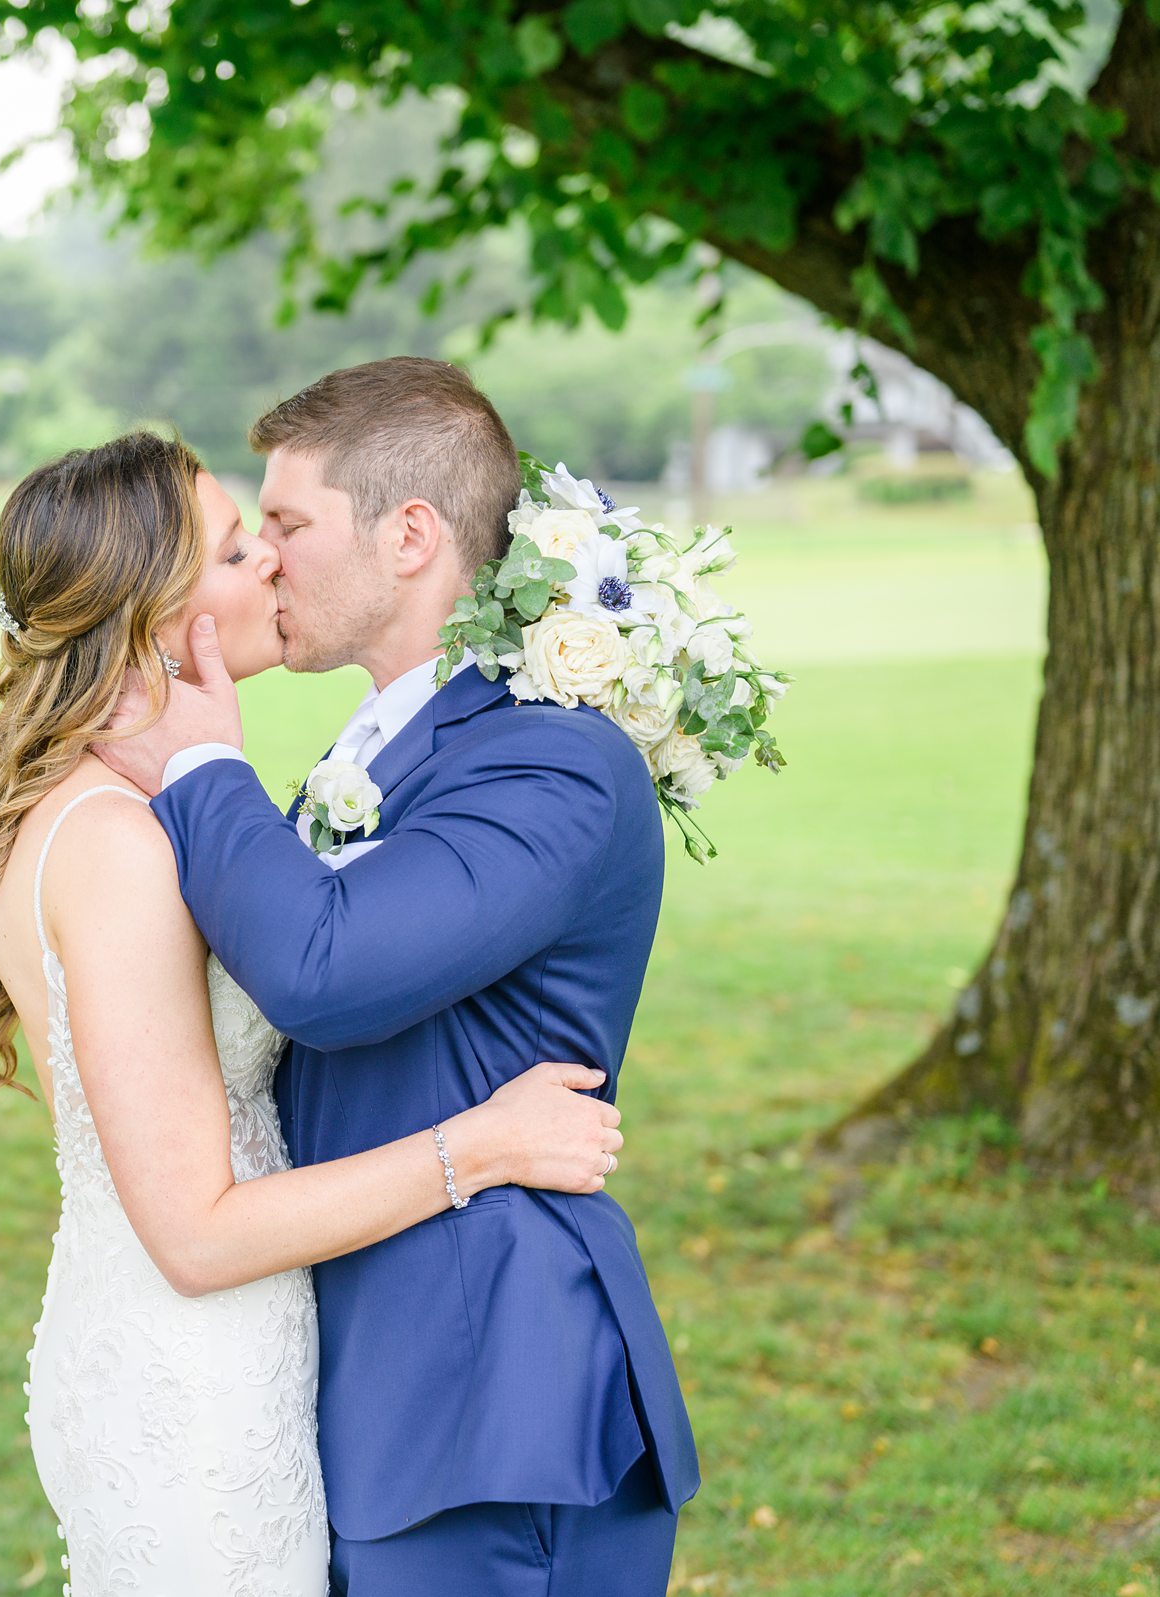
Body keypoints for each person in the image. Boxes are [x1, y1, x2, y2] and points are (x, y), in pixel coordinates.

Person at [0, 428, 629, 1595]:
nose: (275, 571)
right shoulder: (114, 845)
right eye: (241, 549)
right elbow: (195, 1231)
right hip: (193, 1387)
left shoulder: (134, 810)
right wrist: (480, 1147)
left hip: (232, 1355)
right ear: (154, 608)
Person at [96, 360, 700, 1597]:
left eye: (290, 525)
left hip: (488, 1397)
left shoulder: (556, 764)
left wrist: (208, 771)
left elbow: (323, 970)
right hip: (369, 1382)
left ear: (410, 535)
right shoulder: (380, 748)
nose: (265, 559)